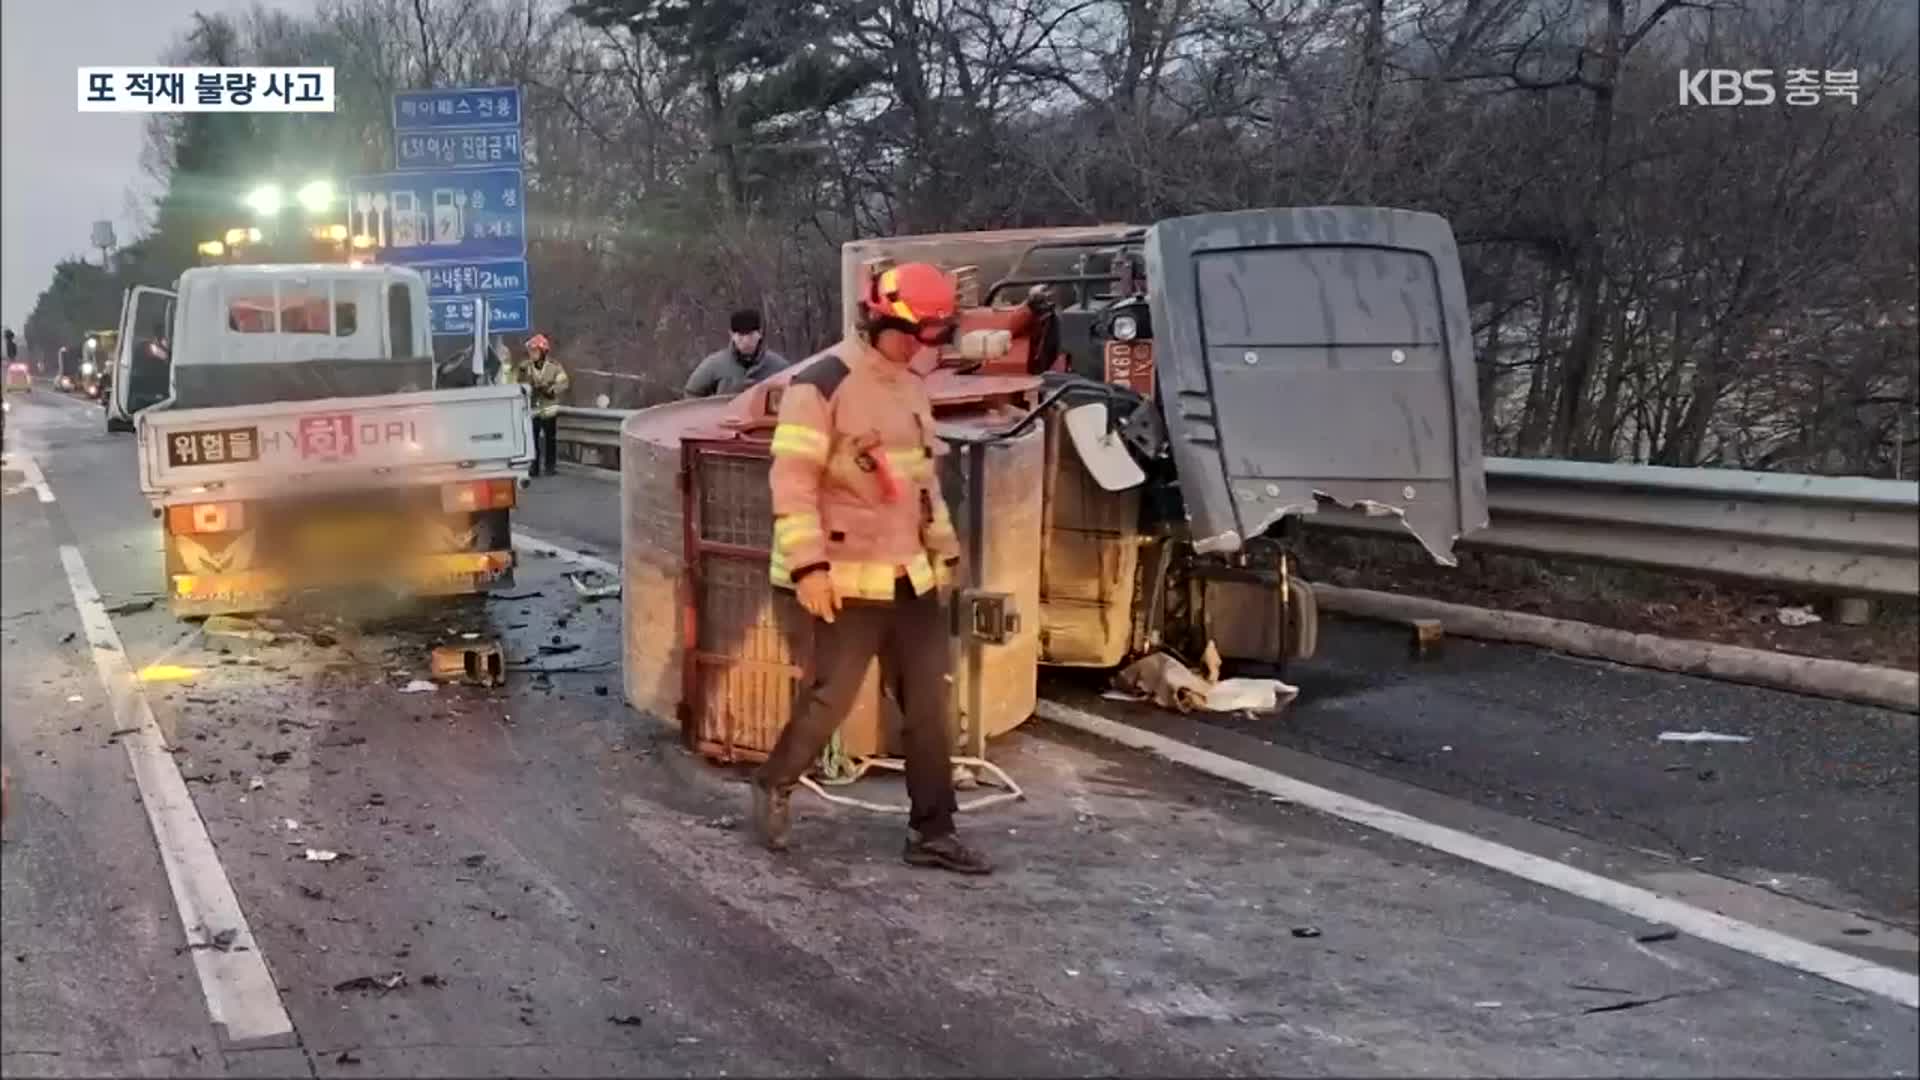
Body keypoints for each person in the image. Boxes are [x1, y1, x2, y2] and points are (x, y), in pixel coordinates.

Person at [750, 262, 991, 876]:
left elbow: (921, 484)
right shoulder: (822, 385)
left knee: (930, 707)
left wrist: (944, 551)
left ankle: (933, 832)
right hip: (846, 576)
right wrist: (809, 569)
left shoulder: (910, 386)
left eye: (931, 336)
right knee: (831, 698)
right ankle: (775, 782)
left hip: (910, 575)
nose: (921, 347)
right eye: (913, 334)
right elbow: (793, 482)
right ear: (878, 318)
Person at [683, 308, 790, 398]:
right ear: (732, 335)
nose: (746, 341)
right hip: (725, 420)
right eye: (741, 336)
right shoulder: (714, 365)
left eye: (750, 335)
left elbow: (794, 394)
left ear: (760, 334)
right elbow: (692, 393)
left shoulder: (779, 367)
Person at [515, 333, 570, 477]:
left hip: (549, 407)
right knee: (532, 439)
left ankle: (550, 466)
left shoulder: (554, 367)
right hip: (533, 407)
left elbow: (563, 382)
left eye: (535, 351)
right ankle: (534, 467)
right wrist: (526, 385)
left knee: (550, 438)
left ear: (543, 352)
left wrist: (551, 390)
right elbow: (517, 383)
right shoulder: (524, 366)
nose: (532, 354)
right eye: (530, 351)